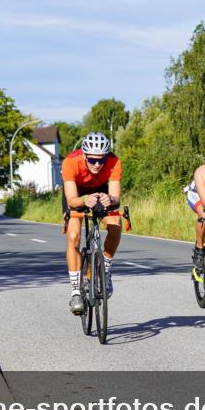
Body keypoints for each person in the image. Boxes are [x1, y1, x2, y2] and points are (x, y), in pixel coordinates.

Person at [62, 132, 122, 313]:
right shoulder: (70, 162)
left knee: (115, 226)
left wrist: (109, 199)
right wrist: (84, 200)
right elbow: (71, 200)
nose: (97, 164)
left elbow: (116, 197)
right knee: (74, 236)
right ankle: (75, 292)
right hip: (78, 194)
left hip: (102, 191)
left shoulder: (114, 162)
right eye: (93, 160)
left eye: (101, 160)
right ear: (84, 156)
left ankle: (105, 271)